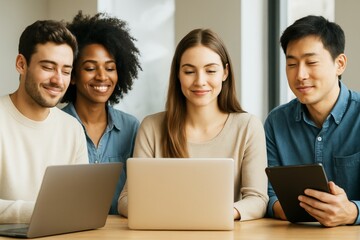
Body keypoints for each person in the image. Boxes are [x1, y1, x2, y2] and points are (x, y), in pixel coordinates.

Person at [118, 28, 269, 221]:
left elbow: (257, 199)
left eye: (210, 71)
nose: (200, 81)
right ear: (178, 75)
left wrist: (216, 214)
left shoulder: (248, 127)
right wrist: (176, 215)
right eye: (189, 71)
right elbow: (126, 200)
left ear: (225, 72)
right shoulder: (152, 127)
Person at [265, 15, 360, 227]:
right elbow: (268, 195)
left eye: (311, 62)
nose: (300, 75)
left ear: (340, 64)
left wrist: (353, 212)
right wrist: (293, 210)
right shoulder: (276, 122)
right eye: (291, 64)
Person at [0, 20, 88, 223]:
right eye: (48, 67)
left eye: (66, 71)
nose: (58, 80)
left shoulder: (72, 128)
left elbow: (80, 202)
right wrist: (44, 212)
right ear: (21, 64)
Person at [61, 11, 141, 215]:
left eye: (110, 68)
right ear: (73, 75)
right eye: (90, 68)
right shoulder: (56, 126)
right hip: (70, 230)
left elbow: (141, 190)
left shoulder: (132, 127)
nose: (102, 76)